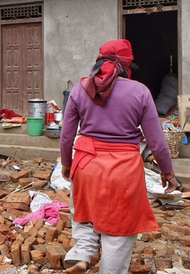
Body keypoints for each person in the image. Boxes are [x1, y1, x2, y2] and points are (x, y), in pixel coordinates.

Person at [59, 39, 178, 274]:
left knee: (84, 215)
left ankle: (82, 255)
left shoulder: (80, 89)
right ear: (128, 64)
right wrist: (168, 172)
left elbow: (66, 135)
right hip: (123, 170)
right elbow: (156, 141)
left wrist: (66, 164)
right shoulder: (140, 91)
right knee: (119, 231)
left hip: (86, 164)